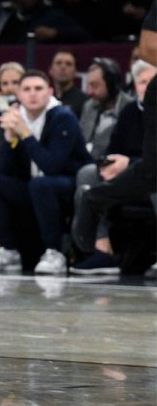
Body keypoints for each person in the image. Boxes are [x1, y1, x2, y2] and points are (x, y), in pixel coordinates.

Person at [0, 70, 91, 275]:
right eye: (26, 89)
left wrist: (25, 134)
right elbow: (4, 169)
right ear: (18, 94)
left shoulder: (63, 117)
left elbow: (52, 166)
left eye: (38, 89)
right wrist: (10, 139)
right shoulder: (17, 117)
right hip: (36, 186)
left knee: (41, 184)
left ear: (50, 92)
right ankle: (8, 251)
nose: (33, 94)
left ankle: (54, 253)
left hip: (68, 185)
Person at [69, 58, 153, 275]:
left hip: (149, 174)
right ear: (134, 85)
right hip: (131, 175)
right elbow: (113, 148)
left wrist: (131, 163)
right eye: (143, 82)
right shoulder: (129, 112)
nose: (149, 87)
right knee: (88, 174)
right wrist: (111, 163)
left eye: (153, 81)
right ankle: (102, 248)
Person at [49, 49, 88, 115]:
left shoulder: (85, 102)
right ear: (51, 70)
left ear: (75, 71)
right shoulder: (45, 100)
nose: (63, 67)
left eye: (68, 64)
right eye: (58, 63)